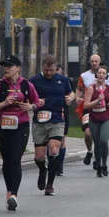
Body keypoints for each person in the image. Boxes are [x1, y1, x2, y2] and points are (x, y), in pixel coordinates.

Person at [0, 55, 39, 211]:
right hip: (3, 125)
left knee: (15, 158)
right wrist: (4, 103)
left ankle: (14, 195)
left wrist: (30, 107)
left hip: (21, 125)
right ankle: (9, 190)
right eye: (5, 66)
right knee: (6, 160)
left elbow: (36, 102)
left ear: (18, 68)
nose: (6, 68)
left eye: (10, 66)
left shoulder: (27, 85)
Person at [30, 55, 75, 196]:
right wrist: (34, 103)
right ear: (42, 67)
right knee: (39, 156)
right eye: (46, 70)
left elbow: (71, 93)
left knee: (54, 150)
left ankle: (50, 184)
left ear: (56, 68)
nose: (49, 73)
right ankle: (42, 170)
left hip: (57, 119)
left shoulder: (63, 80)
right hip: (39, 120)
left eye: (51, 70)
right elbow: (27, 97)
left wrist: (70, 99)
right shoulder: (34, 80)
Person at [75, 54, 109, 171]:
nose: (94, 63)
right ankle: (90, 151)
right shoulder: (84, 76)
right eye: (92, 61)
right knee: (88, 133)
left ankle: (99, 160)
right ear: (89, 62)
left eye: (96, 61)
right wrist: (77, 98)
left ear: (100, 62)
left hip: (103, 109)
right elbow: (79, 89)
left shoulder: (108, 76)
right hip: (89, 108)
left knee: (101, 139)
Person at [84, 67, 109, 177]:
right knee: (97, 143)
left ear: (106, 76)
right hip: (94, 118)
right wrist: (97, 100)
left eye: (103, 73)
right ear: (96, 75)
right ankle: (98, 164)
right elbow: (86, 105)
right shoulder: (91, 89)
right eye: (99, 73)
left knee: (103, 140)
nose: (101, 75)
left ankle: (105, 164)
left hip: (106, 118)